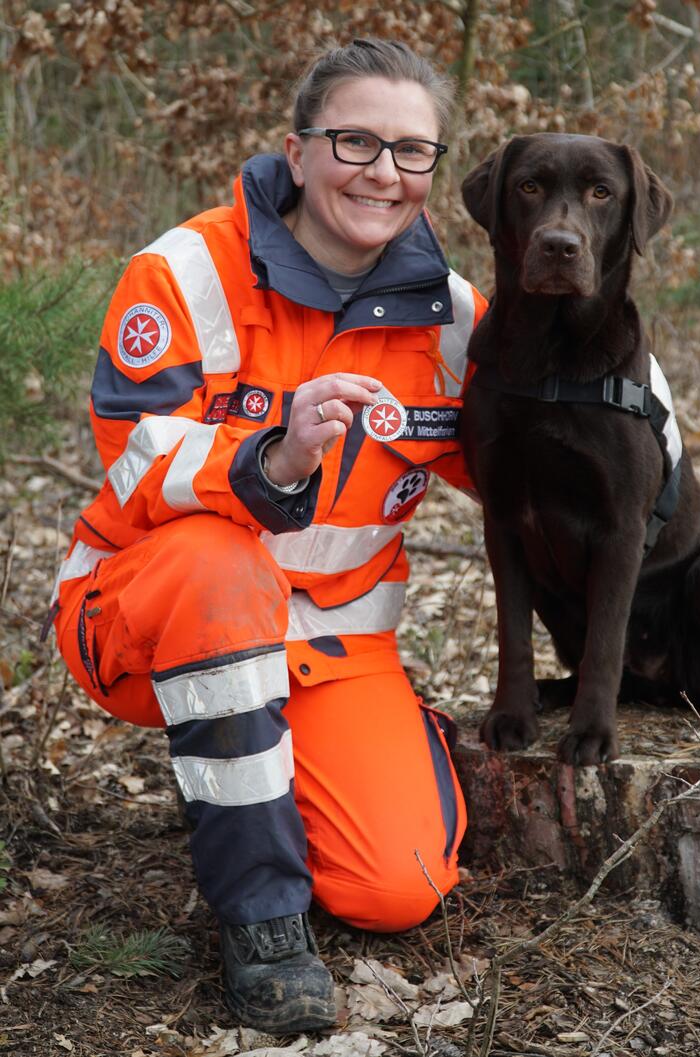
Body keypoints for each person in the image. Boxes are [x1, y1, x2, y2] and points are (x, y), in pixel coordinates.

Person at [50, 38, 487, 1034]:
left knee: (400, 885)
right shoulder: (186, 272)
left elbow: (530, 457)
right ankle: (263, 921)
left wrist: (628, 407)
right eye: (355, 140)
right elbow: (136, 460)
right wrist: (274, 458)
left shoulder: (453, 319)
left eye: (412, 151)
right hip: (144, 619)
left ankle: (290, 782)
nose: (384, 171)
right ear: (296, 151)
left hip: (335, 651)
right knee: (218, 560)